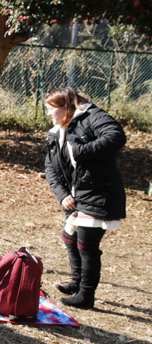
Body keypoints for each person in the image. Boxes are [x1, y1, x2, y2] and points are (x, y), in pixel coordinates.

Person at [44, 87, 126, 309]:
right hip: (77, 196)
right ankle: (77, 283)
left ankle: (86, 296)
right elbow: (51, 168)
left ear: (66, 107)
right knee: (70, 236)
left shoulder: (93, 117)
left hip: (99, 193)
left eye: (52, 109)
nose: (49, 114)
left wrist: (82, 151)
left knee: (87, 245)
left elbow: (116, 137)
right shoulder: (58, 130)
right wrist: (63, 195)